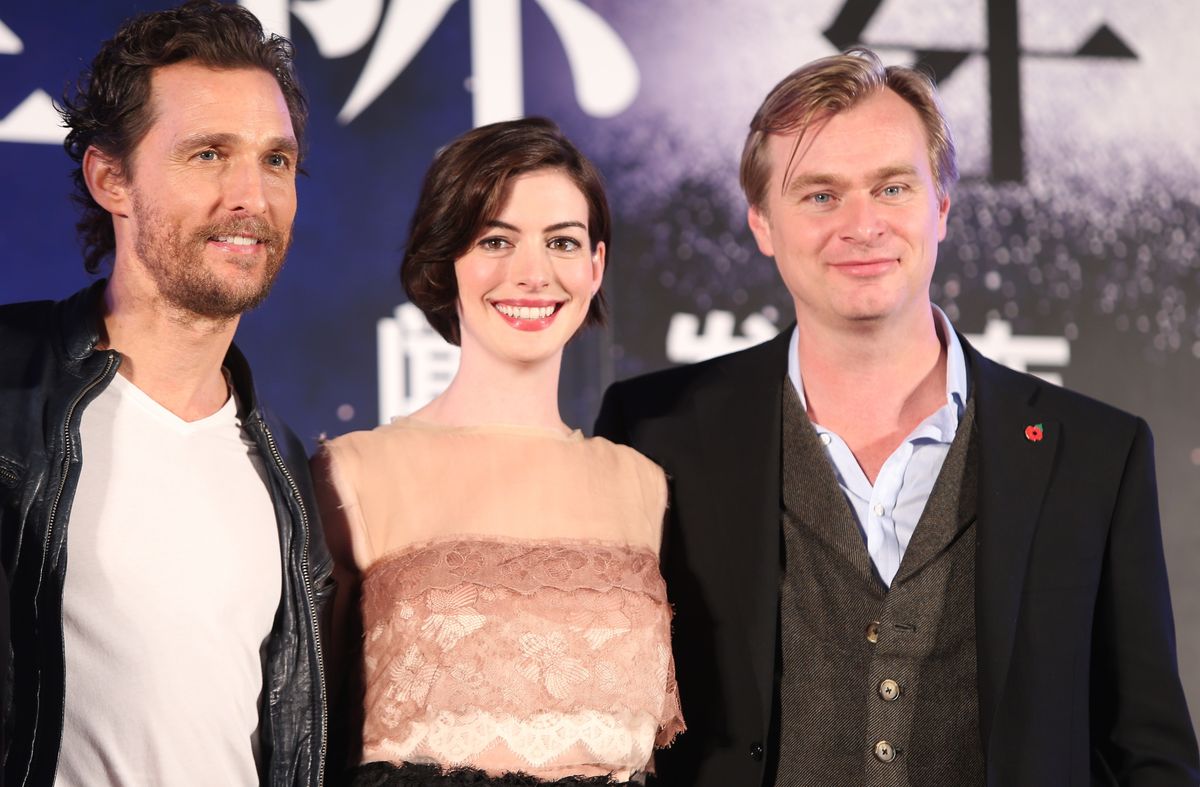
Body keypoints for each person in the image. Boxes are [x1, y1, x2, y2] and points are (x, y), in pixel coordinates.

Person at [595, 48, 1199, 786]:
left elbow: (1148, 750)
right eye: (819, 195)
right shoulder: (657, 432)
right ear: (761, 222)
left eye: (892, 187)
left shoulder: (1094, 451)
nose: (862, 225)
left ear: (940, 207)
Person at [0, 2, 332, 785]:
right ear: (111, 177)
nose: (250, 195)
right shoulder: (10, 384)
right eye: (210, 154)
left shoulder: (281, 463)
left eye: (276, 159)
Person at [313, 117, 683, 786]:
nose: (532, 273)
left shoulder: (643, 485)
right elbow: (309, 740)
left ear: (595, 266)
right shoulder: (355, 473)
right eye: (495, 240)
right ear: (446, 259)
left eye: (562, 242)